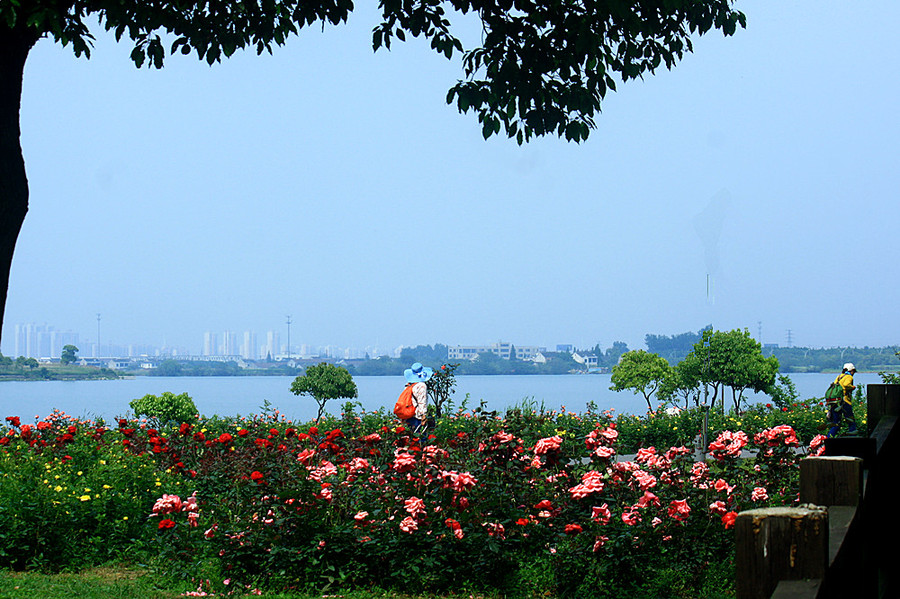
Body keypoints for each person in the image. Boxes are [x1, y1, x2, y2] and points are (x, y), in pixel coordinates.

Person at [827, 363, 858, 438]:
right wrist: (853, 387)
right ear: (851, 370)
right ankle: (852, 432)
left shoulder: (839, 377)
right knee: (850, 418)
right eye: (853, 371)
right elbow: (846, 385)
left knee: (836, 423)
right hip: (844, 401)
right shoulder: (849, 377)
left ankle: (829, 438)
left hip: (836, 401)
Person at [402, 362, 432, 437]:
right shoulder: (421, 386)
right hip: (417, 416)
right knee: (420, 437)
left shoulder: (409, 385)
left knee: (410, 437)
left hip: (409, 413)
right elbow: (422, 402)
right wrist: (423, 415)